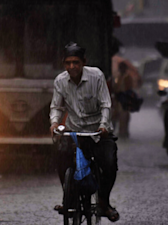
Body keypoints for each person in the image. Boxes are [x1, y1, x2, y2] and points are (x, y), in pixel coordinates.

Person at [49, 43, 120, 222]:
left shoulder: (96, 76)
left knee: (110, 163)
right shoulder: (60, 81)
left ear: (83, 62)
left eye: (76, 62)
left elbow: (105, 104)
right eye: (68, 63)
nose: (72, 67)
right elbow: (57, 106)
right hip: (74, 132)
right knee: (61, 157)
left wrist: (103, 126)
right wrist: (55, 123)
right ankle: (69, 198)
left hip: (97, 133)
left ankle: (104, 202)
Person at [111, 61, 133, 138]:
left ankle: (124, 132)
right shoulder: (119, 77)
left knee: (124, 117)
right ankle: (121, 132)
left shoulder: (127, 77)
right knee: (119, 116)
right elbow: (116, 88)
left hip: (125, 100)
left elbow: (128, 88)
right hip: (119, 100)